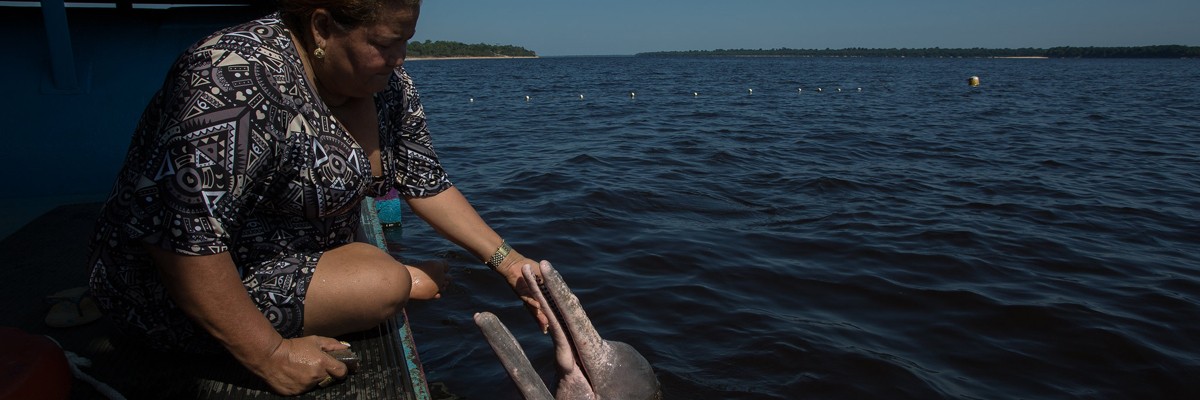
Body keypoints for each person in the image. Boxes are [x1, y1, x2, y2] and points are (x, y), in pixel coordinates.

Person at [86, 0, 547, 395]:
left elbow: (425, 180)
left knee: (386, 278)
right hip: (167, 284)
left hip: (288, 250)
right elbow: (180, 240)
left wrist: (509, 263)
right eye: (386, 44)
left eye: (406, 41)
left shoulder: (386, 85)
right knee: (383, 284)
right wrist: (269, 354)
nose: (401, 59)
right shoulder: (230, 79)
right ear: (323, 27)